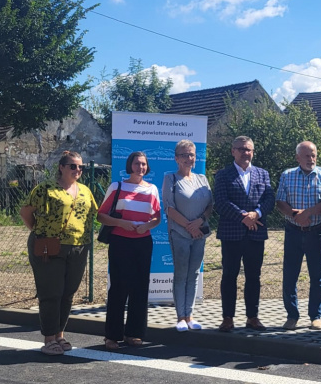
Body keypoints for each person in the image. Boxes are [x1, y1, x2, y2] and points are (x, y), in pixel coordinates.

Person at [21, 151, 98, 356]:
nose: (78, 170)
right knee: (50, 293)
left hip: (78, 247)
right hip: (49, 246)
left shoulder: (84, 191)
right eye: (73, 166)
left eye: (80, 167)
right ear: (61, 167)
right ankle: (48, 339)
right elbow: (26, 212)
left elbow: (94, 214)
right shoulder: (45, 189)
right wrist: (40, 233)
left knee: (67, 293)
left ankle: (59, 335)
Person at [97, 151, 162, 350]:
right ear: (129, 165)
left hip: (143, 243)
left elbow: (157, 218)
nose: (140, 167)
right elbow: (101, 216)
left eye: (143, 164)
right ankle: (112, 336)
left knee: (140, 288)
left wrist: (147, 226)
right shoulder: (117, 186)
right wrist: (121, 223)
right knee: (118, 288)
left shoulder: (152, 189)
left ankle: (134, 333)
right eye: (136, 164)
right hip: (120, 242)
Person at [213, 136, 275, 332]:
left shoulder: (263, 174)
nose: (245, 153)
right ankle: (228, 318)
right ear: (233, 151)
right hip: (232, 234)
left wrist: (256, 213)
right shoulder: (223, 175)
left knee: (253, 277)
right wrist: (243, 216)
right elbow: (220, 202)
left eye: (248, 149)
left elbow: (269, 199)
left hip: (255, 233)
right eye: (240, 149)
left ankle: (252, 317)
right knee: (229, 275)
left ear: (253, 152)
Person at [162, 139, 213, 332]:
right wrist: (189, 226)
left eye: (191, 154)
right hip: (180, 234)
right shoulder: (170, 178)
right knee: (181, 274)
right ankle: (180, 317)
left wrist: (199, 222)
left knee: (193, 274)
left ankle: (190, 316)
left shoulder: (202, 178)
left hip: (199, 234)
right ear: (176, 158)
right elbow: (169, 208)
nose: (188, 158)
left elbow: (210, 206)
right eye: (184, 155)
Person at [276, 141, 321, 331]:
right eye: (306, 155)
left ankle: (316, 316)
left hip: (316, 232)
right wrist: (295, 215)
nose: (311, 159)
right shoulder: (287, 175)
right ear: (297, 157)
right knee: (290, 276)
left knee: (317, 277)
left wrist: (308, 213)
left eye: (313, 155)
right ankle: (292, 315)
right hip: (293, 232)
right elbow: (280, 201)